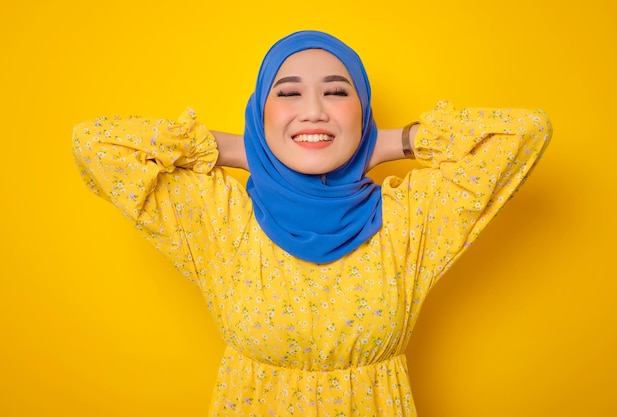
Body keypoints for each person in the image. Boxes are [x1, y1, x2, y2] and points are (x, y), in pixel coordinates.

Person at [73, 30, 552, 416]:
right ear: (261, 110)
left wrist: (386, 143)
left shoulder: (410, 220)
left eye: (337, 93)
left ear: (362, 110)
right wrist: (243, 149)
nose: (314, 110)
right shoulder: (218, 217)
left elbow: (526, 131)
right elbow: (94, 144)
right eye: (289, 93)